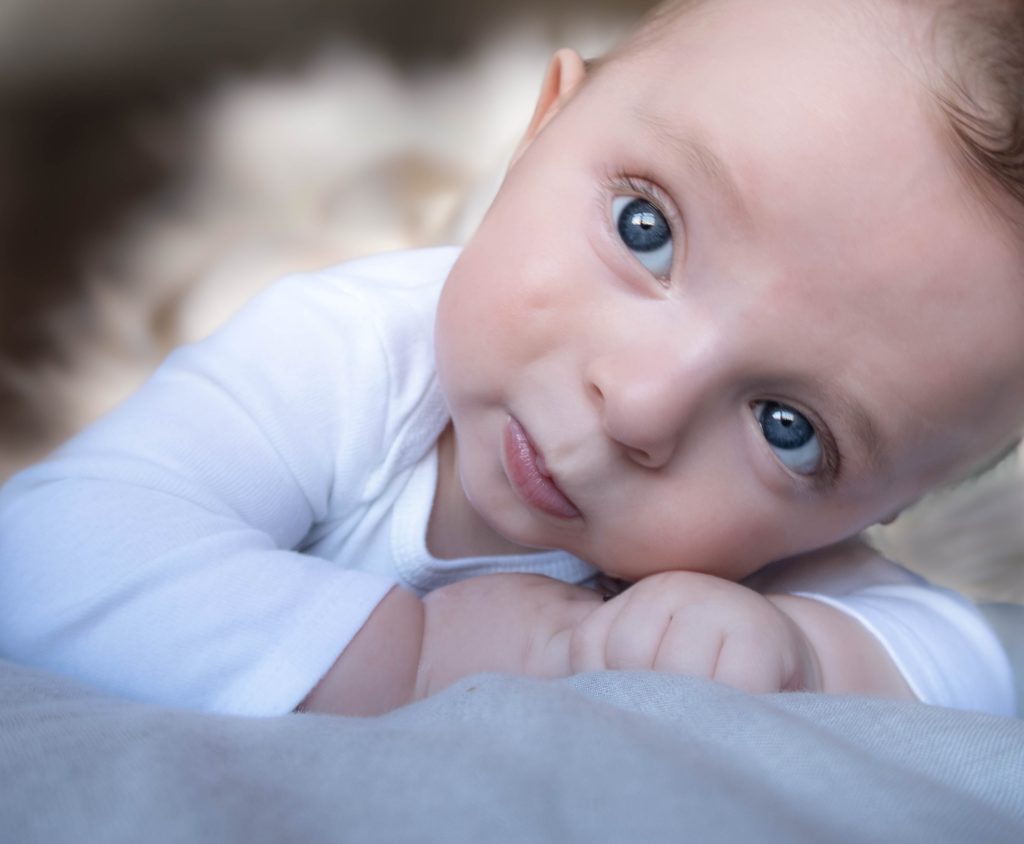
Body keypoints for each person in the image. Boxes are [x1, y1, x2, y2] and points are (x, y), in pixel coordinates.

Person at [0, 0, 1020, 718]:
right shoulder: (350, 355)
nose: (640, 404)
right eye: (644, 229)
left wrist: (803, 657)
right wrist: (418, 663)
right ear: (537, 133)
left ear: (881, 506)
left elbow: (977, 670)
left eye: (785, 428)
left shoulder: (767, 561)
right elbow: (48, 554)